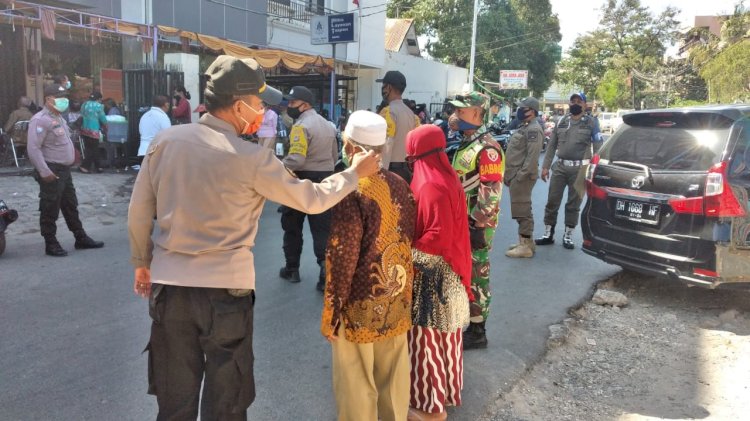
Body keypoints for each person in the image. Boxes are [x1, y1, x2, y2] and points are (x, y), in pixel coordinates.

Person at [128, 55, 381, 421]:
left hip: (171, 289)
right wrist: (353, 175)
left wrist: (141, 263)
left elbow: (138, 212)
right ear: (238, 105)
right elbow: (311, 200)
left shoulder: (165, 142)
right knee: (226, 400)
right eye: (259, 103)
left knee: (174, 399)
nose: (262, 111)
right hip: (226, 294)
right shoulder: (251, 159)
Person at [321, 110, 415, 421]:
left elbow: (342, 254)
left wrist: (332, 311)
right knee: (393, 378)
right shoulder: (401, 182)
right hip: (396, 297)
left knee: (357, 381)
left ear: (349, 146)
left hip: (360, 301)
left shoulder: (351, 190)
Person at [405, 124, 472, 420]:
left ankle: (430, 408)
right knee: (445, 336)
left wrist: (404, 255)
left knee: (424, 339)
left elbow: (436, 237)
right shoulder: (447, 177)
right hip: (451, 272)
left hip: (433, 274)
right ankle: (445, 391)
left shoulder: (429, 185)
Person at [449, 91, 504, 350]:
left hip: (476, 225)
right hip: (462, 222)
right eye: (456, 110)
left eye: (461, 111)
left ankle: (478, 330)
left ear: (477, 114)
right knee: (464, 273)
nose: (456, 115)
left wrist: (477, 225)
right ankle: (468, 319)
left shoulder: (488, 148)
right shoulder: (468, 141)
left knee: (477, 276)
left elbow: (490, 194)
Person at [26, 84, 104, 257]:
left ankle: (80, 237)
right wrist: (44, 171)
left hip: (64, 170)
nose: (64, 100)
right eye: (59, 96)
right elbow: (33, 148)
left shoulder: (58, 117)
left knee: (70, 205)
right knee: (50, 207)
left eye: (64, 96)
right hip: (52, 169)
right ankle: (50, 242)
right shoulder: (40, 120)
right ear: (48, 99)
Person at [278, 86, 338, 291]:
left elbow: (296, 159)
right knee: (322, 228)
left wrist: (278, 167)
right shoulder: (329, 126)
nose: (289, 106)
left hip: (300, 180)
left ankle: (292, 268)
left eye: (293, 103)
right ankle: (324, 272)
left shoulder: (301, 126)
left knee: (292, 226)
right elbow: (334, 157)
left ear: (305, 104)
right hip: (324, 180)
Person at [536, 92, 602, 249]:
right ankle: (548, 233)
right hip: (560, 167)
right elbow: (551, 145)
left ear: (585, 105)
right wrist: (545, 167)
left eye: (579, 101)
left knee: (573, 204)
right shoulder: (562, 121)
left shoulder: (591, 123)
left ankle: (568, 235)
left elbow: (598, 146)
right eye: (573, 101)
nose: (575, 104)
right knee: (552, 201)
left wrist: (595, 170)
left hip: (580, 169)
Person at [504, 97, 544, 258]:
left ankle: (525, 246)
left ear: (532, 111)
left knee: (522, 209)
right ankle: (526, 241)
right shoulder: (525, 127)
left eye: (523, 108)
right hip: (517, 174)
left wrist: (520, 175)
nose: (520, 110)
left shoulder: (534, 129)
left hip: (523, 176)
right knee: (522, 208)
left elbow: (532, 157)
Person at [377, 70, 419, 183]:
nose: (382, 89)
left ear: (389, 87)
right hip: (407, 171)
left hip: (390, 171)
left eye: (383, 86)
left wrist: (381, 173)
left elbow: (387, 144)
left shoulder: (388, 112)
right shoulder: (411, 114)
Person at [79, 91, 108, 173]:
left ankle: (98, 166)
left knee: (89, 147)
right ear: (99, 99)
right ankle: (85, 167)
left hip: (84, 129)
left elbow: (81, 114)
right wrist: (106, 126)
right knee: (94, 148)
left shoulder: (84, 104)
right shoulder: (99, 106)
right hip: (94, 129)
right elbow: (102, 118)